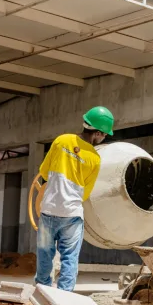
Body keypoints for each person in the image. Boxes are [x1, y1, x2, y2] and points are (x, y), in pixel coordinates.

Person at [36, 106, 114, 291]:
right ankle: (64, 299)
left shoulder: (61, 140)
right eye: (104, 135)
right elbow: (85, 193)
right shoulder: (94, 158)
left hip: (48, 211)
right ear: (97, 133)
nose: (103, 138)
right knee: (69, 259)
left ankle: (41, 294)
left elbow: (43, 172)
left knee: (44, 256)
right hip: (72, 215)